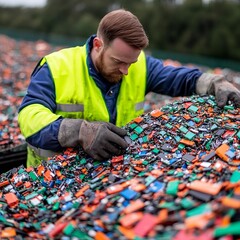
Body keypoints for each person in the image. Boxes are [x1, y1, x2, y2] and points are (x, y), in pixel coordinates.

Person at [18, 9, 240, 167]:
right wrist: (80, 131)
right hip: (50, 178)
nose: (126, 71)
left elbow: (178, 79)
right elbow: (29, 116)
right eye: (118, 62)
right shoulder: (58, 67)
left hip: (111, 176)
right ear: (98, 45)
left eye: (130, 63)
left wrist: (213, 82)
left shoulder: (138, 65)